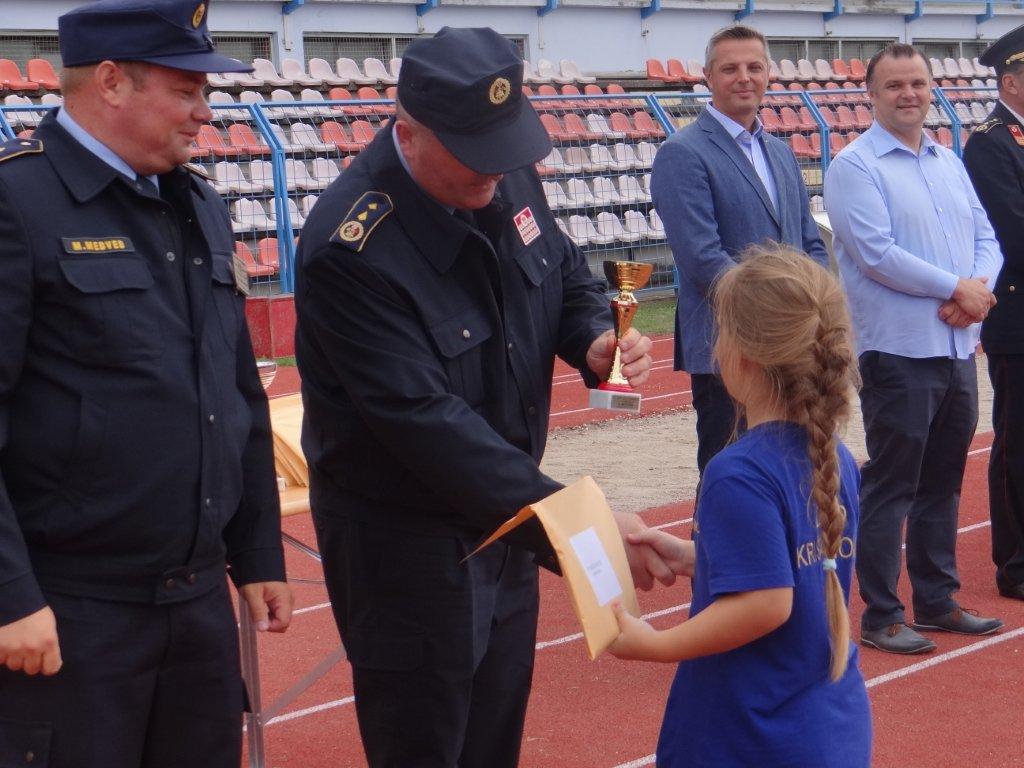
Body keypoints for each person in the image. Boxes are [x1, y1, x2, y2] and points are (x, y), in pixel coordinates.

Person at [294, 26, 669, 768]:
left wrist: (596, 339)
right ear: (409, 132)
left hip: (505, 523)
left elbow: (562, 277)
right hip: (408, 547)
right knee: (427, 743)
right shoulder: (351, 248)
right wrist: (576, 524)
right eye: (476, 158)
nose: (496, 175)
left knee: (494, 735)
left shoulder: (500, 172)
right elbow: (425, 424)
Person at [0, 2, 293, 766]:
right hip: (70, 613)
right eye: (187, 90)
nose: (205, 114)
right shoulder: (16, 206)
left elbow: (234, 394)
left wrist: (257, 552)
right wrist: (9, 597)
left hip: (195, 609)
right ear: (110, 82)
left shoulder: (196, 205)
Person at [608, 245, 872, 767]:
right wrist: (698, 558)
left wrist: (654, 643)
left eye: (722, 330)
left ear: (743, 356)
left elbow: (768, 603)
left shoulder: (737, 473)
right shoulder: (833, 455)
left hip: (748, 736)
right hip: (828, 726)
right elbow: (795, 564)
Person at [825, 42, 1003, 655]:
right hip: (899, 351)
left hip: (957, 345)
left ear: (933, 89)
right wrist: (959, 288)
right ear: (870, 95)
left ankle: (936, 599)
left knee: (944, 482)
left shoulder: (946, 160)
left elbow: (987, 234)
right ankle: (881, 612)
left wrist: (976, 289)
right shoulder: (855, 166)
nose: (909, 94)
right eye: (895, 85)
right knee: (893, 484)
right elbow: (876, 255)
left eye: (918, 84)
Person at [651, 24, 829, 476]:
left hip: (793, 345)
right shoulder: (682, 153)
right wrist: (777, 316)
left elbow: (809, 241)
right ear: (708, 76)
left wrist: (819, 305)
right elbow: (702, 259)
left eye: (754, 67)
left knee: (792, 471)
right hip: (731, 348)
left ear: (768, 73)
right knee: (729, 473)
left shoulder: (781, 152)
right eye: (730, 68)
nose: (743, 77)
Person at [962, 24, 1024, 602]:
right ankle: (1016, 564)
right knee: (1016, 446)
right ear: (1012, 78)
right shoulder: (990, 141)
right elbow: (1012, 230)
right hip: (1017, 316)